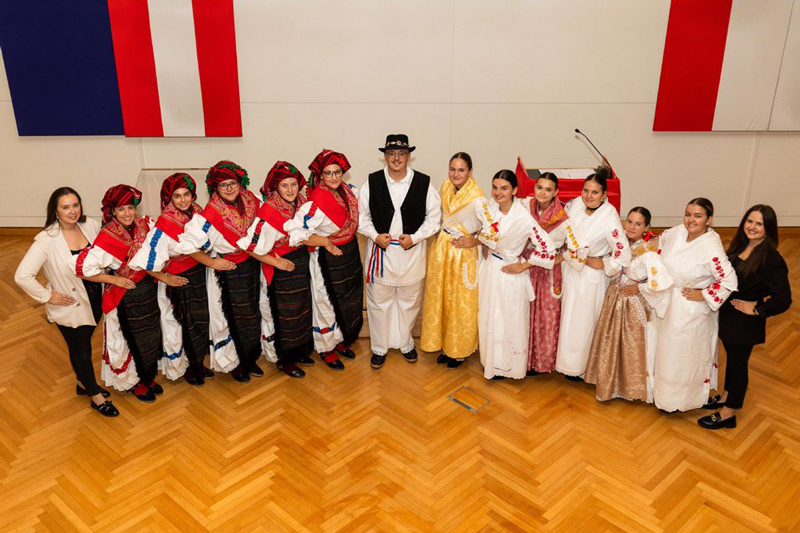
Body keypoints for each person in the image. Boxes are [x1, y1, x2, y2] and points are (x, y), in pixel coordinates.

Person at [15, 187, 118, 417]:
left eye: (75, 205)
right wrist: (47, 296)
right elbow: (22, 275)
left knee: (84, 342)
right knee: (80, 349)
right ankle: (95, 396)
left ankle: (83, 383)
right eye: (65, 207)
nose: (72, 211)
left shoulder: (89, 225)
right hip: (69, 305)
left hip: (95, 298)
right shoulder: (46, 239)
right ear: (56, 211)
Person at [698, 205, 791, 429]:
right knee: (732, 359)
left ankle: (729, 413)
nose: (752, 227)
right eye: (750, 221)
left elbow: (784, 299)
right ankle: (725, 397)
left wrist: (757, 309)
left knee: (739, 365)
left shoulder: (772, 260)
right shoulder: (740, 245)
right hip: (729, 316)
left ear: (768, 229)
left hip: (745, 324)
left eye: (759, 223)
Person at [72, 185, 163, 403]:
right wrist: (114, 279)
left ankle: (147, 375)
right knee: (128, 338)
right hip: (124, 295)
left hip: (147, 288)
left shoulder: (143, 225)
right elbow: (82, 269)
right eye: (121, 209)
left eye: (130, 208)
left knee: (149, 334)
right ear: (112, 211)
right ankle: (133, 382)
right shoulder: (108, 236)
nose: (127, 214)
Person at [358, 134, 441, 369]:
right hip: (381, 254)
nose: (396, 158)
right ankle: (379, 348)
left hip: (411, 255)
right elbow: (361, 217)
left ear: (408, 156)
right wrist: (375, 236)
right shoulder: (371, 182)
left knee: (409, 302)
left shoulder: (424, 183)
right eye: (392, 154)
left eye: (401, 154)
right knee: (379, 303)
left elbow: (434, 219)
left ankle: (406, 344)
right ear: (385, 156)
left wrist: (415, 238)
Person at [176, 161, 262, 383]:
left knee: (251, 315)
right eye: (223, 185)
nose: (229, 189)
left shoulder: (250, 200)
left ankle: (249, 358)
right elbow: (187, 245)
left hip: (251, 265)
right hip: (227, 271)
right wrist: (212, 262)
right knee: (227, 318)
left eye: (232, 183)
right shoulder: (210, 213)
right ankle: (233, 363)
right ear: (215, 188)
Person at [130, 173, 216, 387]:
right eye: (177, 196)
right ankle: (190, 367)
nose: (183, 200)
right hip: (181, 280)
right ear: (168, 199)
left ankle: (198, 363)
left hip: (199, 273)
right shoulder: (164, 223)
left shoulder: (197, 212)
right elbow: (146, 261)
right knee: (185, 324)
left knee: (200, 321)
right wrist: (167, 278)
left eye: (186, 194)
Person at [653, 198, 738, 412]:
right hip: (667, 302)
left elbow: (729, 281)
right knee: (665, 352)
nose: (691, 220)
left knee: (682, 356)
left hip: (690, 311)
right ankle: (661, 394)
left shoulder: (711, 247)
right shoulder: (676, 232)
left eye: (698, 216)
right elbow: (659, 242)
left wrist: (704, 294)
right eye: (688, 214)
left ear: (709, 220)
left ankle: (681, 399)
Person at [584, 207, 673, 402]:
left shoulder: (649, 252)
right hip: (614, 297)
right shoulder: (620, 244)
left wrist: (639, 289)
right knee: (611, 340)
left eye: (638, 224)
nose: (632, 227)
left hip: (633, 303)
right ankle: (610, 382)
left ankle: (630, 387)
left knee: (631, 344)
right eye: (630, 222)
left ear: (647, 227)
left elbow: (662, 283)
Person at [285, 149, 363, 371]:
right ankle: (326, 348)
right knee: (326, 302)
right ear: (320, 175)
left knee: (345, 299)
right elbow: (295, 232)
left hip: (348, 254)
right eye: (328, 173)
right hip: (326, 259)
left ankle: (339, 340)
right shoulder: (315, 202)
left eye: (337, 172)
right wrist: (326, 242)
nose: (334, 177)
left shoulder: (349, 193)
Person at [477, 169, 556, 380]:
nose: (497, 192)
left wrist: (524, 266)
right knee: (488, 316)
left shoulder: (523, 218)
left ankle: (508, 365)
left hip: (510, 275)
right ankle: (490, 362)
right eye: (494, 187)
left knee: (507, 320)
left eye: (504, 188)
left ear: (514, 190)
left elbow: (547, 249)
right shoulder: (487, 208)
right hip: (490, 270)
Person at [240, 161, 316, 378]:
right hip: (281, 267)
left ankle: (300, 351)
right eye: (285, 186)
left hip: (299, 263)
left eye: (293, 184)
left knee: (301, 309)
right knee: (286, 314)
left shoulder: (301, 203)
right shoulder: (269, 212)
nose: (291, 190)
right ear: (275, 188)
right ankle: (285, 359)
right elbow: (250, 247)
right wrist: (277, 262)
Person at [556, 168, 631, 380]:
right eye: (586, 190)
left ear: (604, 195)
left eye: (595, 192)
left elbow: (624, 254)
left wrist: (605, 263)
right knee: (567, 316)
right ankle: (564, 362)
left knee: (583, 321)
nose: (588, 196)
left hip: (590, 276)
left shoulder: (609, 218)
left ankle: (580, 367)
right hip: (570, 268)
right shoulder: (575, 205)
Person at [420, 152, 484, 369]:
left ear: (470, 172)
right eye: (452, 169)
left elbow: (493, 228)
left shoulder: (477, 197)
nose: (456, 174)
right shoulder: (446, 187)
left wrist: (475, 241)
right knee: (442, 300)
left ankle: (459, 351)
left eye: (461, 170)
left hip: (462, 254)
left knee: (459, 302)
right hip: (443, 250)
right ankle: (445, 346)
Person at [519, 173, 579, 376]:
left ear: (556, 193)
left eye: (548, 189)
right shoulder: (526, 207)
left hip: (548, 272)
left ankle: (542, 363)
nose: (542, 193)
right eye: (539, 188)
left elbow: (576, 248)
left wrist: (556, 260)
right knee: (523, 313)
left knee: (545, 315)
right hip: (526, 266)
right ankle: (522, 359)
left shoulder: (562, 219)